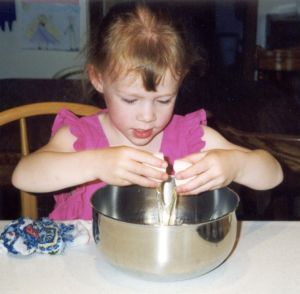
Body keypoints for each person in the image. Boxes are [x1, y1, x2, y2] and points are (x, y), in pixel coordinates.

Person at [12, 3, 283, 220]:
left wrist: (236, 165)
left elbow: (273, 174)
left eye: (164, 100)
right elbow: (24, 175)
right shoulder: (81, 137)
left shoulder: (191, 138)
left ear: (181, 79)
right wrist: (96, 164)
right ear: (98, 78)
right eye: (131, 100)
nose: (147, 116)